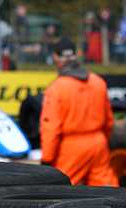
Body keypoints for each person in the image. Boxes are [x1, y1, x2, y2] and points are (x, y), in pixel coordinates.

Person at [39, 38, 118, 186]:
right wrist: (102, 141)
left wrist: (47, 159)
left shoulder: (57, 88)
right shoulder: (98, 82)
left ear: (56, 58)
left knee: (60, 190)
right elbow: (109, 120)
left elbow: (51, 128)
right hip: (98, 143)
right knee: (107, 189)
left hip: (71, 148)